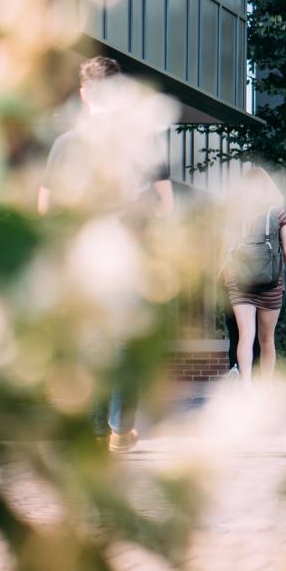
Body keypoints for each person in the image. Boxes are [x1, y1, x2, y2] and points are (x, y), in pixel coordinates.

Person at [38, 55, 173, 453]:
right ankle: (120, 428)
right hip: (128, 254)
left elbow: (45, 207)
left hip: (81, 257)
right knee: (126, 341)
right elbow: (165, 204)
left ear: (84, 93)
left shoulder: (66, 143)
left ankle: (95, 428)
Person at [223, 167, 286, 387]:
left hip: (240, 282)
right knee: (267, 339)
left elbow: (226, 249)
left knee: (246, 336)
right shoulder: (279, 214)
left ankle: (245, 384)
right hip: (271, 284)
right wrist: (276, 267)